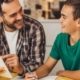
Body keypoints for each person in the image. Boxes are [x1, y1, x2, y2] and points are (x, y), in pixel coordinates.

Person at [25, 0, 80, 80]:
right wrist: (35, 74)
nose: (60, 20)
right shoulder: (61, 39)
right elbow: (47, 66)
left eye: (64, 17)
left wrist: (62, 73)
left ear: (78, 22)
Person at [0, 0, 45, 76]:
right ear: (1, 17)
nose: (20, 17)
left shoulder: (34, 27)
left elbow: (38, 64)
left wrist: (21, 68)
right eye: (13, 15)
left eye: (20, 10)